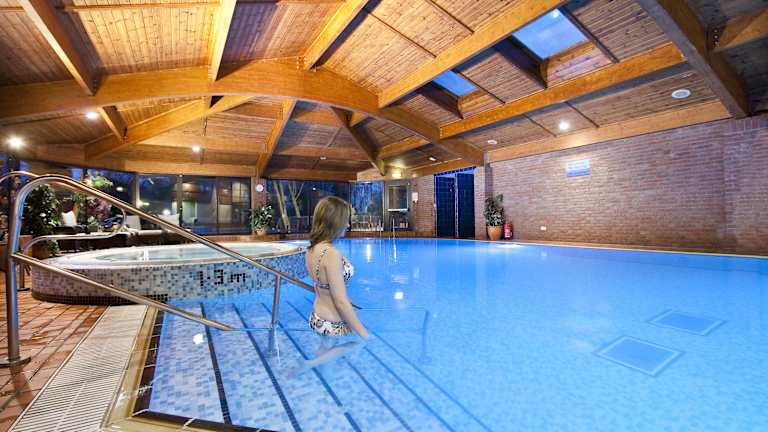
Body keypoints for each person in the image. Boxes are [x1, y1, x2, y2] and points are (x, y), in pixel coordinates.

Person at [294, 196, 369, 374]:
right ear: (334, 222)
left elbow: (322, 285)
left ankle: (316, 372)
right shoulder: (332, 254)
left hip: (318, 315)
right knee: (358, 342)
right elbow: (340, 301)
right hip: (332, 320)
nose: (348, 225)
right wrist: (364, 333)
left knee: (326, 348)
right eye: (345, 220)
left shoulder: (312, 249)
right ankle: (311, 366)